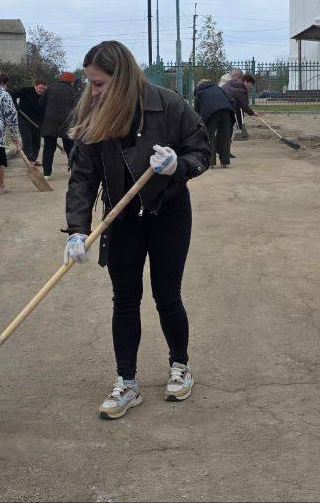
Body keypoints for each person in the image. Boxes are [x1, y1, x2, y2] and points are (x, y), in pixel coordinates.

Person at [63, 41, 211, 420]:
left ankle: (180, 364)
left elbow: (202, 152)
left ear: (122, 77)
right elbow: (81, 179)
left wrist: (178, 165)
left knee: (167, 295)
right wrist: (77, 231)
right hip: (123, 218)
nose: (92, 92)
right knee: (125, 299)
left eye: (99, 84)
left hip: (169, 214)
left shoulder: (169, 104)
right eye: (90, 84)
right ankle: (127, 382)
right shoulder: (94, 116)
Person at [40, 71, 81, 177]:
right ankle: (74, 172)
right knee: (70, 148)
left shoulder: (50, 88)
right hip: (67, 123)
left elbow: (41, 103)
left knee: (48, 148)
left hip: (50, 122)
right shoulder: (73, 91)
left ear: (60, 79)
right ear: (71, 81)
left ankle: (46, 174)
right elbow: (78, 108)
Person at [193, 78, 235, 168]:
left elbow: (197, 111)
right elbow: (231, 100)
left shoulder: (199, 93)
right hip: (226, 110)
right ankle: (224, 162)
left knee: (209, 136)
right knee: (225, 136)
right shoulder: (218, 88)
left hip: (210, 113)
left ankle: (211, 162)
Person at [11, 79, 47, 163]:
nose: (41, 90)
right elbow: (12, 95)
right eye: (40, 88)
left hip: (37, 121)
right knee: (27, 139)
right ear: (35, 86)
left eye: (43, 89)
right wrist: (15, 104)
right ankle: (30, 159)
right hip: (24, 119)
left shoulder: (45, 95)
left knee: (36, 141)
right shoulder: (26, 90)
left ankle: (33, 159)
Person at [221, 72, 256, 157]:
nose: (250, 87)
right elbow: (243, 105)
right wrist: (252, 113)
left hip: (221, 108)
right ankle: (225, 153)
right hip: (228, 110)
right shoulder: (240, 89)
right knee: (228, 132)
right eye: (250, 85)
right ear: (246, 82)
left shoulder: (231, 83)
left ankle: (224, 152)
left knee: (223, 131)